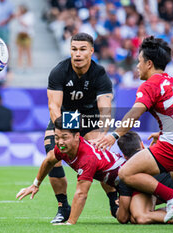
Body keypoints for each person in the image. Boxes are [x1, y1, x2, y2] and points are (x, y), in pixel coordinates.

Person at [95, 36, 173, 227]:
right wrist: (163, 133)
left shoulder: (150, 84)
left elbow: (135, 113)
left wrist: (114, 135)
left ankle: (172, 197)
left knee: (126, 173)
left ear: (149, 63)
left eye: (139, 62)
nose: (137, 66)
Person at [44, 33, 113, 223]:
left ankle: (113, 199)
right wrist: (63, 135)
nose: (78, 54)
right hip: (65, 118)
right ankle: (62, 207)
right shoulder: (59, 71)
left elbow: (105, 109)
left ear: (91, 51)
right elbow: (53, 107)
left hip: (90, 118)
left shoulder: (100, 74)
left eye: (83, 49)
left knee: (99, 152)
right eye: (74, 49)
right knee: (52, 154)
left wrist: (103, 134)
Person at [16, 117, 127, 225]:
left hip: (130, 183)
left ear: (77, 136)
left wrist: (70, 223)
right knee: (123, 217)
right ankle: (117, 203)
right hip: (121, 186)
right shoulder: (62, 149)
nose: (60, 142)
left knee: (138, 218)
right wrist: (35, 184)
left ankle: (120, 202)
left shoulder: (87, 157)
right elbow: (49, 161)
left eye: (65, 137)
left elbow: (81, 194)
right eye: (57, 137)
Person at [15, 4, 34, 70]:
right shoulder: (20, 16)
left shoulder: (29, 15)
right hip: (20, 34)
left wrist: (20, 18)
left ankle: (29, 66)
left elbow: (27, 25)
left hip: (27, 35)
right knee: (20, 51)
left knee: (28, 51)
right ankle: (20, 65)